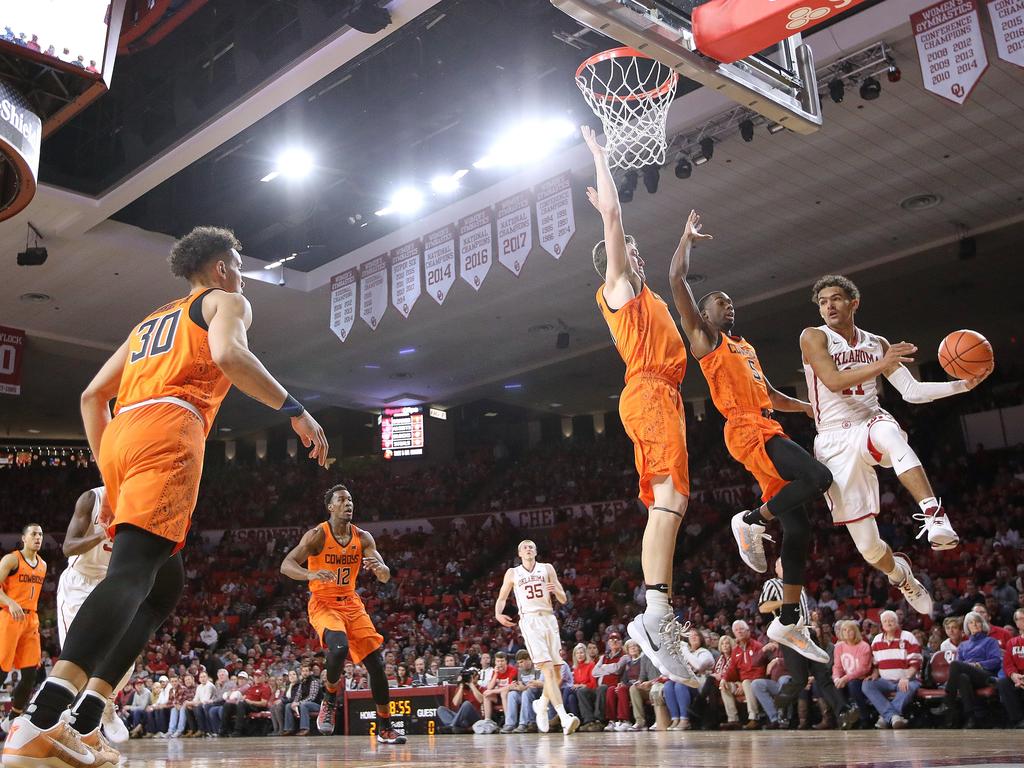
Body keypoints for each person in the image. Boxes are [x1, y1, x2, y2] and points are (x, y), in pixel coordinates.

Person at [4, 227, 328, 768]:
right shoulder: (227, 301)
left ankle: (86, 719)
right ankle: (39, 720)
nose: (243, 277)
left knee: (161, 586)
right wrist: (294, 409)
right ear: (222, 268)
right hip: (171, 429)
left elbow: (93, 397)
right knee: (131, 573)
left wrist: (108, 470)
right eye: (239, 266)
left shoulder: (150, 322)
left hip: (121, 437)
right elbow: (228, 355)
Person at [668, 218, 830, 663]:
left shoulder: (747, 348)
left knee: (799, 528)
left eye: (732, 302)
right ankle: (751, 520)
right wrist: (686, 241)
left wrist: (810, 409)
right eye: (722, 302)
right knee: (819, 476)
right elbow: (675, 280)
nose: (730, 306)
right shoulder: (707, 340)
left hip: (767, 423)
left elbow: (773, 396)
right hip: (743, 428)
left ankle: (789, 621)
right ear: (706, 314)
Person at [800, 275, 991, 616]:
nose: (829, 305)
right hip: (832, 439)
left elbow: (912, 392)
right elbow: (832, 380)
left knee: (889, 433)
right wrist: (882, 364)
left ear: (853, 303)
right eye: (823, 301)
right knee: (869, 549)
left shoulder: (876, 343)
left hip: (869, 422)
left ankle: (934, 515)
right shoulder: (814, 336)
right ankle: (901, 576)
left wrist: (961, 386)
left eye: (836, 299)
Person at [581, 125, 695, 682]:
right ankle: (654, 613)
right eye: (627, 250)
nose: (634, 253)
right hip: (649, 393)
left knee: (669, 505)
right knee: (668, 502)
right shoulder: (619, 290)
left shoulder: (648, 297)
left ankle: (659, 611)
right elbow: (614, 226)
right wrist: (603, 164)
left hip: (662, 398)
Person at [280, 483, 405, 744]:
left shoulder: (363, 537)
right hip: (323, 603)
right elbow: (286, 565)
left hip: (351, 603)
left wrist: (380, 569)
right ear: (330, 507)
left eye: (350, 499)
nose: (348, 503)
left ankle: (385, 727)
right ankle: (329, 697)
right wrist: (309, 574)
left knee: (377, 666)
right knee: (338, 648)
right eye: (342, 500)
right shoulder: (317, 535)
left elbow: (385, 575)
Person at [52, 487, 131, 743]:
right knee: (77, 658)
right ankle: (68, 721)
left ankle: (105, 703)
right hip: (78, 583)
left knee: (126, 654)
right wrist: (102, 533)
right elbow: (68, 547)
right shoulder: (91, 499)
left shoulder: (139, 501)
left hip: (109, 583)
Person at [759, 559, 859, 731]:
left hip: (808, 633)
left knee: (823, 677)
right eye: (782, 564)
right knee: (800, 680)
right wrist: (786, 601)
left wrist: (811, 620)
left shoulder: (800, 586)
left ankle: (843, 712)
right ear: (776, 569)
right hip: (790, 635)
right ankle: (779, 704)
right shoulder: (773, 583)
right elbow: (763, 607)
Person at [494, 539, 580, 735]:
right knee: (548, 671)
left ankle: (541, 704)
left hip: (549, 619)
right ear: (519, 553)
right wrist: (498, 614)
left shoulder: (547, 568)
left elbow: (563, 598)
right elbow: (501, 597)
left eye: (531, 546)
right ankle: (564, 717)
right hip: (531, 621)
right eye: (524, 547)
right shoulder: (513, 573)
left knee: (557, 673)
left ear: (536, 551)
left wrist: (555, 590)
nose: (528, 549)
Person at [0, 524, 46, 735]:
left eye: (40, 534)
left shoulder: (43, 565)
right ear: (24, 538)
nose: (38, 538)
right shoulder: (11, 559)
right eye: (34, 534)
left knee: (30, 675)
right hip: (10, 617)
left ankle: (13, 718)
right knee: (2, 671)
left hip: (31, 620)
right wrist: (9, 601)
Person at [861, 610, 922, 729]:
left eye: (891, 620)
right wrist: (875, 673)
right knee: (867, 685)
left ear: (897, 622)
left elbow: (915, 663)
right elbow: (876, 663)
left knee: (907, 687)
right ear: (881, 625)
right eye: (885, 621)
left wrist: (906, 677)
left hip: (908, 679)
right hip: (885, 681)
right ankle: (893, 717)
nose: (888, 623)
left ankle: (886, 717)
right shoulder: (877, 640)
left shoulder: (908, 636)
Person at [944, 611, 1002, 728]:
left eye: (977, 622)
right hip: (968, 676)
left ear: (982, 624)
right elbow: (960, 666)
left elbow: (996, 661)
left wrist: (977, 664)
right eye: (971, 622)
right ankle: (971, 718)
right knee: (962, 678)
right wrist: (968, 666)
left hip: (985, 675)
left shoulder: (990, 641)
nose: (975, 625)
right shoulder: (963, 645)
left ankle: (948, 703)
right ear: (967, 627)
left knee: (955, 664)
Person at [997, 608, 1024, 728]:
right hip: (1017, 677)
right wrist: (1014, 676)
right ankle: (1018, 721)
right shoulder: (1012, 642)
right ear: (1016, 623)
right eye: (1020, 619)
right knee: (1003, 682)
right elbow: (1008, 664)